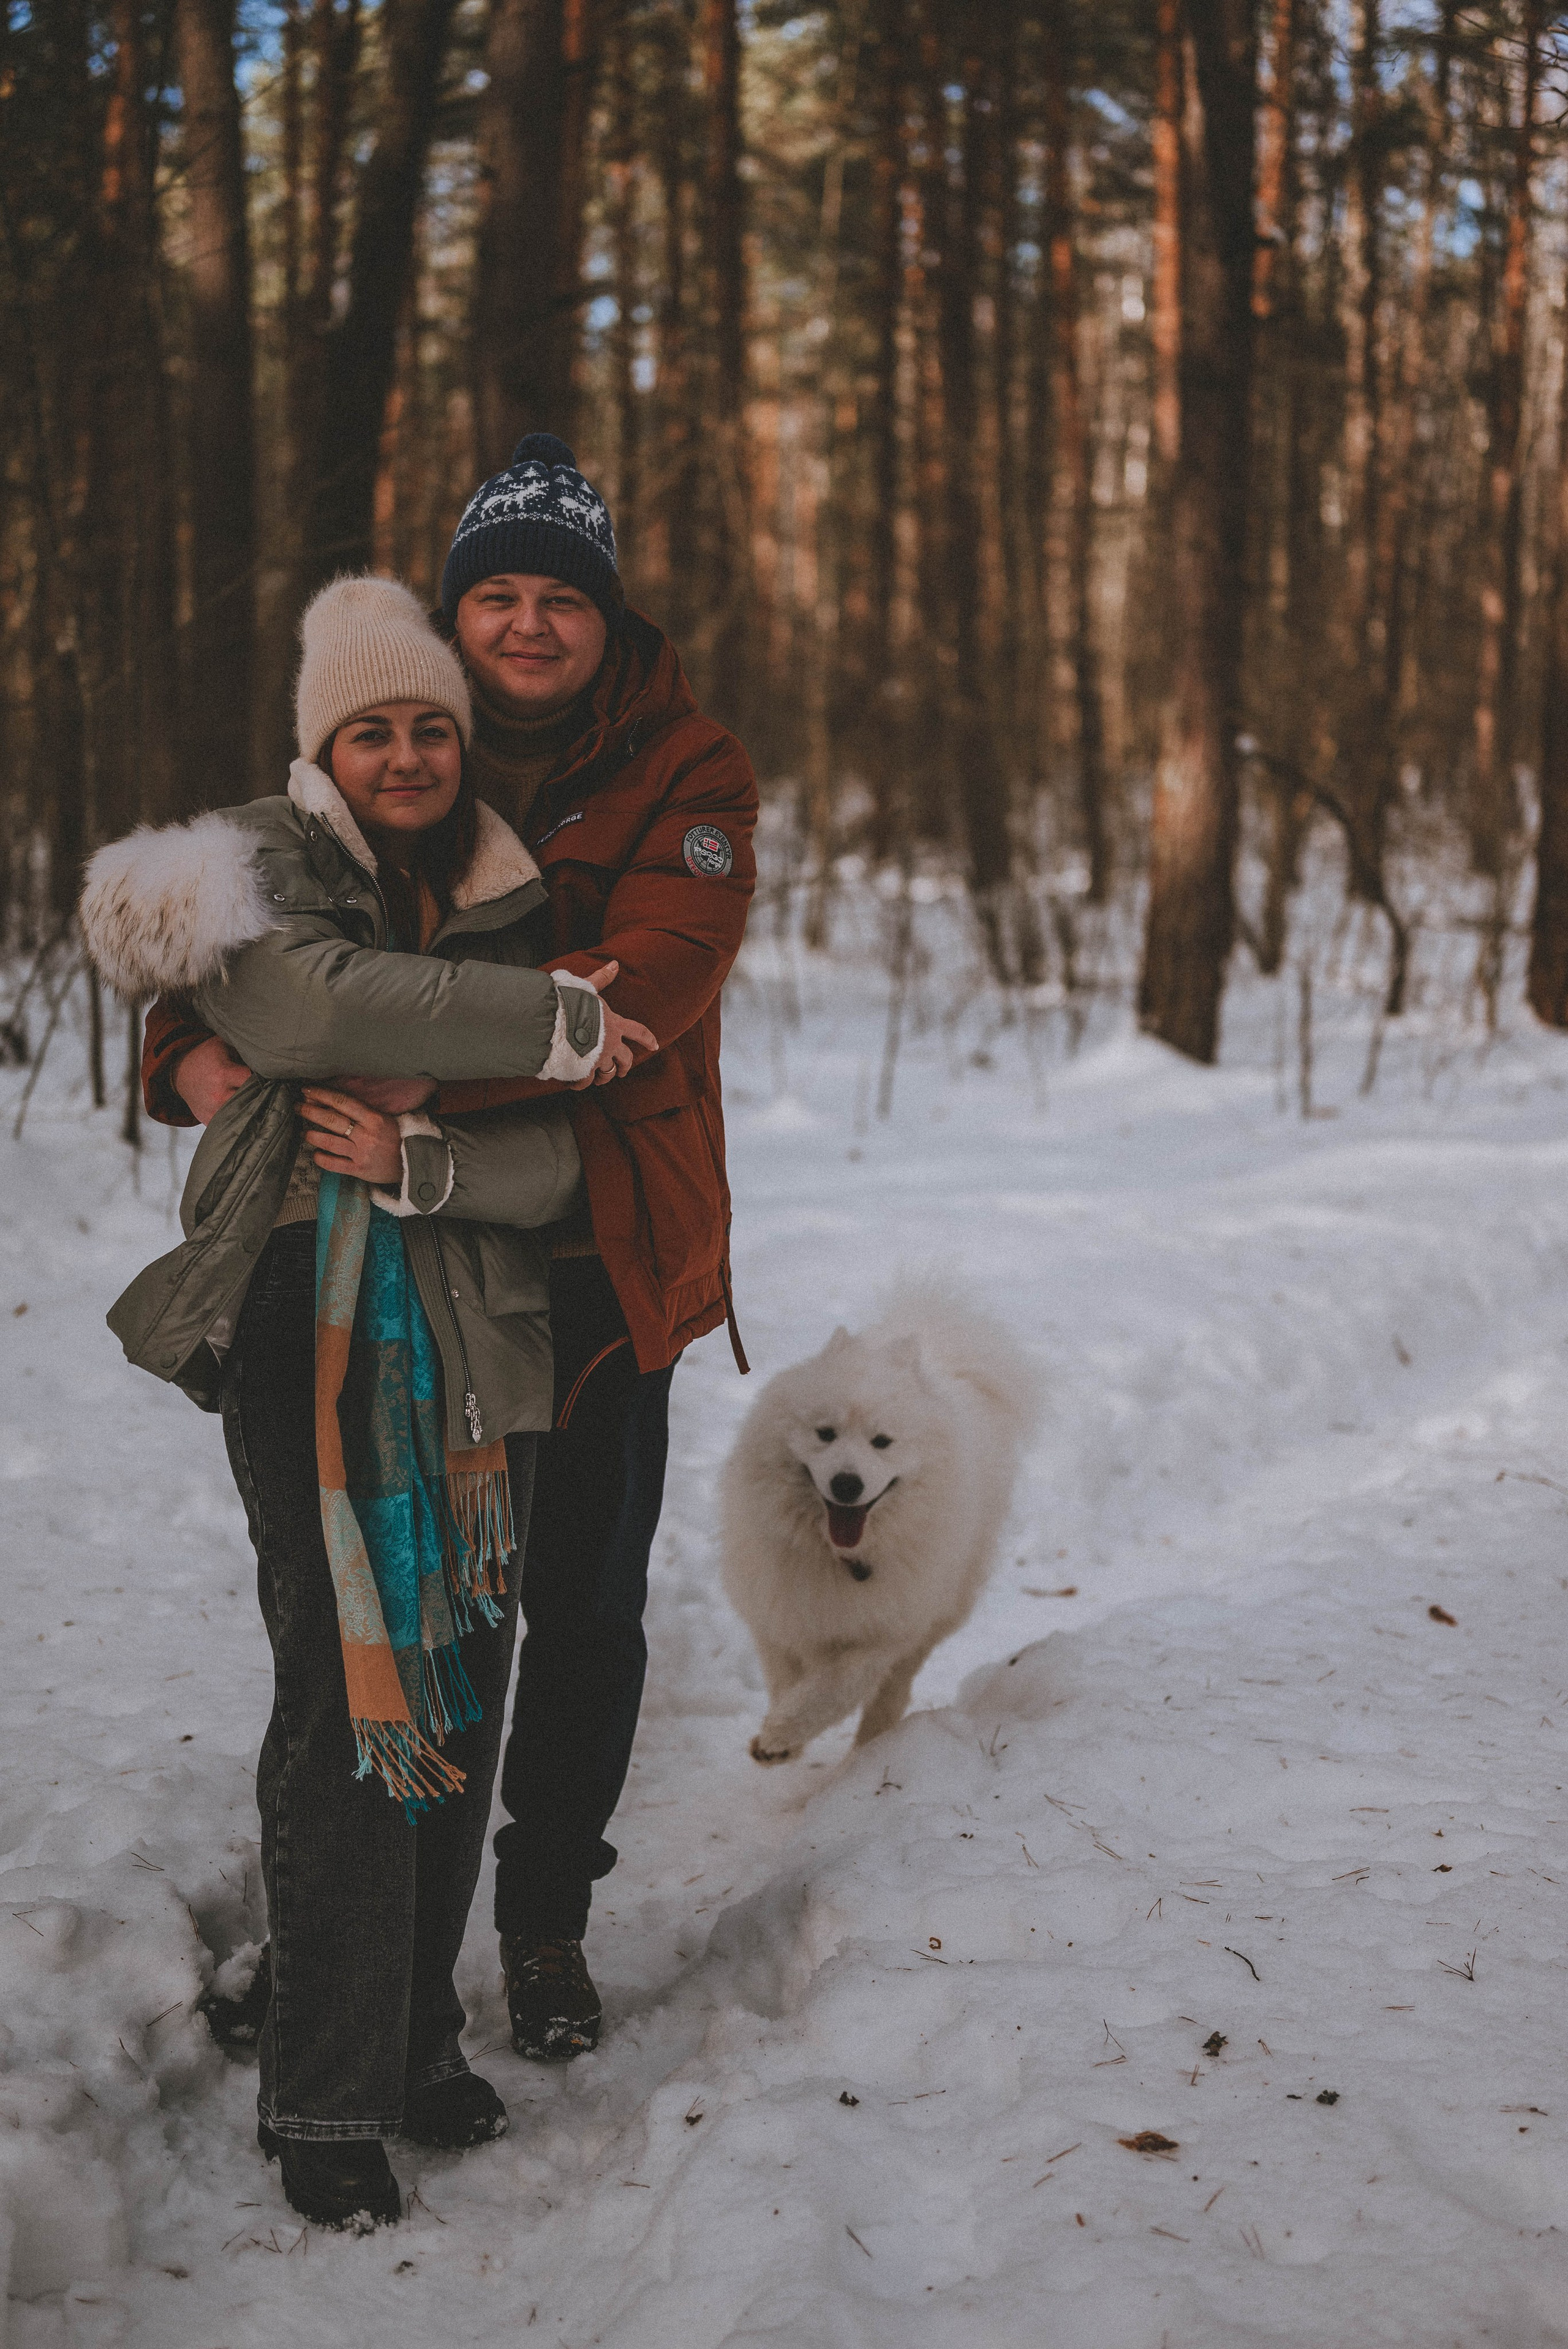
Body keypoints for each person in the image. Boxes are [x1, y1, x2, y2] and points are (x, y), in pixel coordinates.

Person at [139, 437, 758, 2066]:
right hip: (415, 1246)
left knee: (582, 1605)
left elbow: (653, 982)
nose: (531, 623)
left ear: (608, 619)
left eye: (564, 596)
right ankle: (362, 1939)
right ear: (458, 607)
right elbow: (267, 905)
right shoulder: (413, 726)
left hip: (603, 1243)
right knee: (407, 1605)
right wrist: (183, 1048)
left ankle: (544, 1914)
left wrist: (414, 1062)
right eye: (501, 591)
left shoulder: (689, 769)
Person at [81, 576, 657, 2230]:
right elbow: (315, 1007)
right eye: (372, 728)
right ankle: (325, 2086)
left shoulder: (506, 885)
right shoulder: (255, 865)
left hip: (482, 1325)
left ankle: (410, 2037)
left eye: (431, 726)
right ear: (323, 744)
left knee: (460, 1678)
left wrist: (432, 1151)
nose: (407, 752)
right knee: (352, 1681)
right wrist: (552, 1022)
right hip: (299, 1310)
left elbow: (568, 1156)